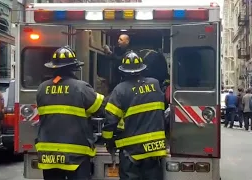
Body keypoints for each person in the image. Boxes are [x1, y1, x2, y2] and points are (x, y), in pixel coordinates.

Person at [35, 46, 105, 180]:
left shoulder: (41, 88)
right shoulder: (81, 87)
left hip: (48, 155)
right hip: (76, 154)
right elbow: (99, 108)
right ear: (74, 68)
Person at [101, 52, 167, 180]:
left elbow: (110, 120)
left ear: (123, 72)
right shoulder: (155, 84)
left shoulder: (120, 90)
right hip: (154, 150)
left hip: (131, 152)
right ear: (142, 68)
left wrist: (108, 141)